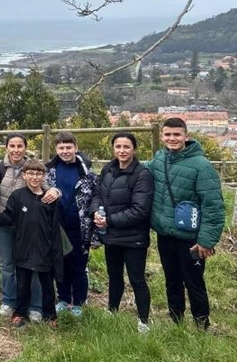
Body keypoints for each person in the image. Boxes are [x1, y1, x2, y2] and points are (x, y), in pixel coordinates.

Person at [145, 117, 225, 329]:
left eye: (176, 134)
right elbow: (142, 172)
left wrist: (206, 241)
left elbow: (213, 206)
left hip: (191, 238)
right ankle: (176, 322)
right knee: (172, 280)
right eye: (168, 134)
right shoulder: (159, 159)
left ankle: (201, 324)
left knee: (194, 282)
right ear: (162, 136)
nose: (172, 138)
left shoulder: (201, 166)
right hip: (165, 234)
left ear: (186, 136)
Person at [0, 133, 59, 321]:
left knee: (34, 264)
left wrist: (57, 191)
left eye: (20, 146)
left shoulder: (31, 167)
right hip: (4, 220)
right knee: (7, 264)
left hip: (28, 225)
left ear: (25, 147)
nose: (16, 150)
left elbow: (47, 187)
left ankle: (35, 306)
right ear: (6, 147)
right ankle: (9, 301)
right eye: (12, 146)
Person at [89, 132, 154, 332]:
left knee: (137, 279)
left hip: (134, 237)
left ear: (134, 149)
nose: (122, 151)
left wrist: (109, 221)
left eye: (126, 147)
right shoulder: (108, 169)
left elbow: (140, 210)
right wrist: (95, 212)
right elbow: (97, 195)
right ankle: (112, 310)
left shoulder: (142, 174)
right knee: (114, 276)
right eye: (118, 146)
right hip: (112, 236)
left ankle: (143, 321)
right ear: (113, 148)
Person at [44, 131, 97, 317]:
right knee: (61, 264)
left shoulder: (87, 172)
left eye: (69, 147)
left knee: (78, 266)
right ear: (56, 149)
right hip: (57, 226)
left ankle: (79, 302)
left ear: (76, 147)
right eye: (61, 148)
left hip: (80, 227)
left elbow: (95, 197)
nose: (65, 151)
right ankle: (64, 298)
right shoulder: (49, 171)